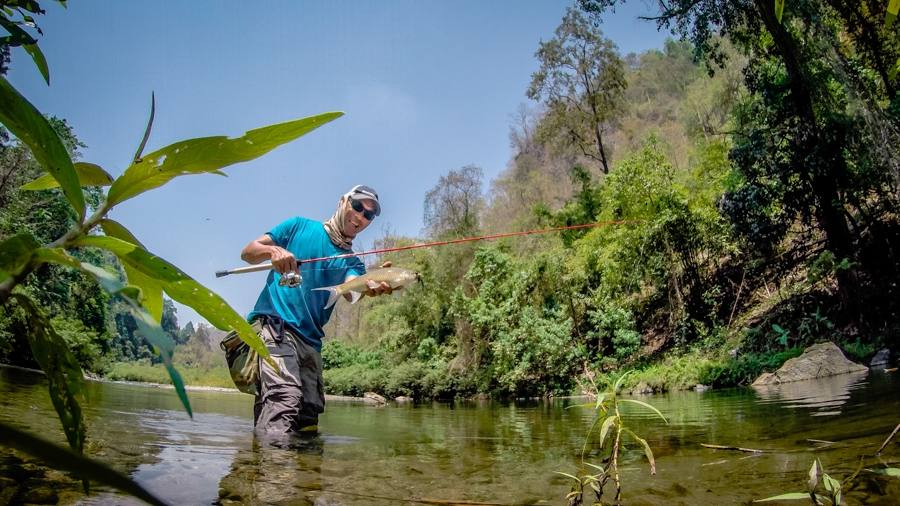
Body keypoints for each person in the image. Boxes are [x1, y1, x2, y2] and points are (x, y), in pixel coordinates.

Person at [240, 185, 393, 434]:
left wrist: (372, 284)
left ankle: (285, 468)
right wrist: (273, 251)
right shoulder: (298, 226)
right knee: (283, 400)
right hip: (276, 328)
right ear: (343, 201)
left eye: (369, 214)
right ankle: (275, 471)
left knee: (308, 417)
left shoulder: (352, 261)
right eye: (358, 206)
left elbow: (351, 289)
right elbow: (248, 253)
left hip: (311, 343)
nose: (361, 216)